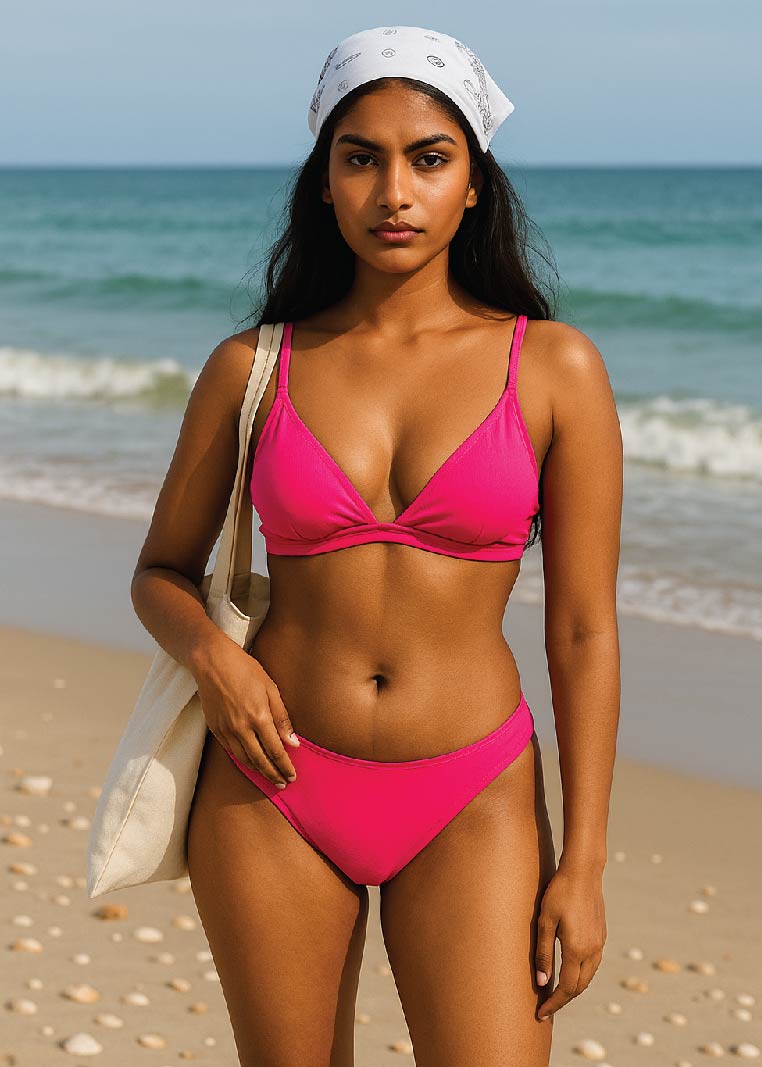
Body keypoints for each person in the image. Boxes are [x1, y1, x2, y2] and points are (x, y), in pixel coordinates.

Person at [131, 25, 623, 1067]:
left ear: (474, 184)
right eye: (360, 159)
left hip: (472, 791)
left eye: (427, 159)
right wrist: (215, 658)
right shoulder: (251, 366)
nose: (393, 192)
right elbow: (159, 573)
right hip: (273, 783)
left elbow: (583, 631)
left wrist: (582, 863)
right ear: (324, 183)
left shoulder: (554, 368)